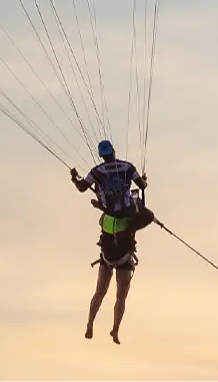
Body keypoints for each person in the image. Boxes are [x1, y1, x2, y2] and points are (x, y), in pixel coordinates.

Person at [69, 139, 155, 343]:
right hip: (124, 233)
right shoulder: (127, 166)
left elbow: (82, 187)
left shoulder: (96, 171)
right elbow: (141, 185)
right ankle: (115, 330)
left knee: (100, 292)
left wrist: (74, 178)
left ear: (101, 155)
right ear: (114, 152)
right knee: (121, 296)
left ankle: (90, 324)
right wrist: (143, 181)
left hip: (108, 242)